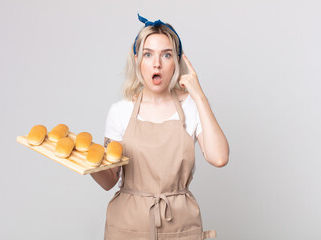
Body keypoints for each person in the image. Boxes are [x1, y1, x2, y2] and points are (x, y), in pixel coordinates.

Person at [91, 14, 229, 240]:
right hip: (128, 227)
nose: (157, 63)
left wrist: (198, 93)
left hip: (180, 225)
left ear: (177, 61)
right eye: (148, 54)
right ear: (137, 60)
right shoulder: (120, 111)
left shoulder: (191, 107)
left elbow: (219, 157)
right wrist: (89, 160)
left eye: (166, 55)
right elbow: (109, 181)